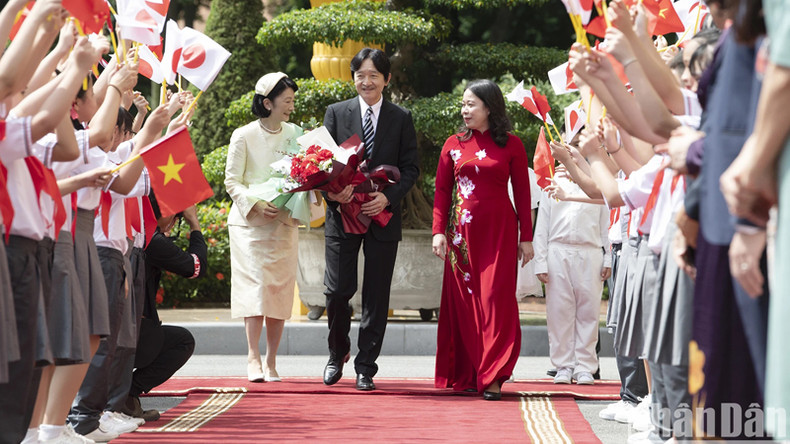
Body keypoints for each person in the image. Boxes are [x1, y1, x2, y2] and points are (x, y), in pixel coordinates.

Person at [321, 48, 419, 391]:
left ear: (386, 79)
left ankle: (366, 365)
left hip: (381, 218)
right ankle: (337, 354)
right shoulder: (335, 114)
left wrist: (387, 197)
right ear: (353, 78)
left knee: (377, 296)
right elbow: (320, 164)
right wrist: (332, 193)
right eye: (360, 75)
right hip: (341, 215)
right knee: (336, 292)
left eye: (374, 75)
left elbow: (411, 169)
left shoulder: (401, 117)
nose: (367, 81)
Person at [431, 79, 533, 400]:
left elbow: (523, 193)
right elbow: (442, 192)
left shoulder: (512, 145)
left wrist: (526, 237)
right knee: (465, 303)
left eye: (471, 104)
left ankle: (494, 374)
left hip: (500, 233)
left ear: (489, 108)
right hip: (461, 237)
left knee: (495, 300)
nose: (465, 110)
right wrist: (438, 232)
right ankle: (471, 372)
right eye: (463, 104)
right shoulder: (452, 144)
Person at [225, 72, 303, 383]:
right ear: (267, 102)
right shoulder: (243, 135)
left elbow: (304, 174)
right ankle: (252, 356)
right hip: (250, 225)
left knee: (278, 291)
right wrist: (256, 203)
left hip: (283, 221)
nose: (291, 107)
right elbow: (232, 180)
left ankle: (271, 361)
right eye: (287, 101)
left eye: (292, 102)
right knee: (255, 289)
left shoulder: (296, 133)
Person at [120, 197, 204, 423]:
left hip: (118, 330)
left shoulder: (130, 233)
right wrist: (194, 223)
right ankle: (126, 394)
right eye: (177, 217)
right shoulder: (151, 240)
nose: (174, 222)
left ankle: (121, 396)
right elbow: (196, 267)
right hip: (134, 333)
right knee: (183, 341)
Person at [533, 169, 611, 385]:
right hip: (558, 250)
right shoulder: (552, 182)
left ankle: (585, 366)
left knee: (589, 312)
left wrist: (608, 257)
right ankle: (563, 366)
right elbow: (542, 226)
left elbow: (606, 223)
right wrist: (541, 260)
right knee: (559, 311)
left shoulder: (595, 183)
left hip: (591, 251)